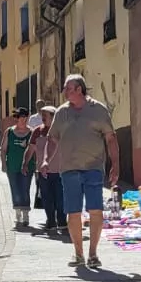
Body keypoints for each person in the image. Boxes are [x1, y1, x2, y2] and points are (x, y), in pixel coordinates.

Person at [48, 74, 120, 268]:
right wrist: (47, 160)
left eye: (67, 88)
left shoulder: (98, 110)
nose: (64, 92)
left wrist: (116, 165)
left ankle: (93, 254)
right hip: (69, 169)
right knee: (73, 212)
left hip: (93, 168)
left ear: (79, 89)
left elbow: (111, 138)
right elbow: (53, 139)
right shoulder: (61, 113)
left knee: (95, 210)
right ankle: (78, 254)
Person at [33, 105, 65, 232]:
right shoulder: (38, 131)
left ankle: (62, 221)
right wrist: (25, 163)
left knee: (60, 198)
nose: (43, 118)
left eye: (45, 115)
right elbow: (31, 148)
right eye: (42, 115)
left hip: (60, 171)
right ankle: (51, 221)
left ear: (53, 117)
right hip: (43, 172)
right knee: (46, 198)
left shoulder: (62, 131)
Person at [2, 107, 35, 227]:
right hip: (12, 165)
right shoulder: (9, 132)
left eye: (22, 117)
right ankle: (17, 213)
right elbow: (4, 149)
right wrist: (3, 163)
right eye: (18, 117)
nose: (20, 119)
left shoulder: (32, 132)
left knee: (25, 188)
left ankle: (25, 214)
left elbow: (35, 149)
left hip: (28, 166)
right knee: (15, 188)